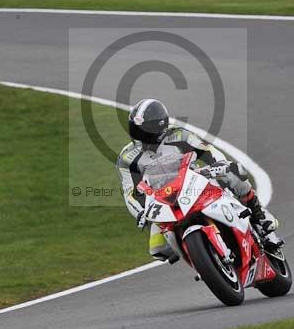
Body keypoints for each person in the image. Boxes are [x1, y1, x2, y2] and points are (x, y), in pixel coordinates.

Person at [116, 98, 278, 261]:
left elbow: (208, 151)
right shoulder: (127, 158)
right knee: (158, 249)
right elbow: (129, 192)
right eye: (135, 130)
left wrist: (219, 165)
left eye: (144, 131)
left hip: (193, 181)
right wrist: (141, 213)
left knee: (234, 172)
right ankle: (201, 255)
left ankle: (259, 214)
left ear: (160, 126)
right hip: (163, 200)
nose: (140, 136)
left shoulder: (178, 135)